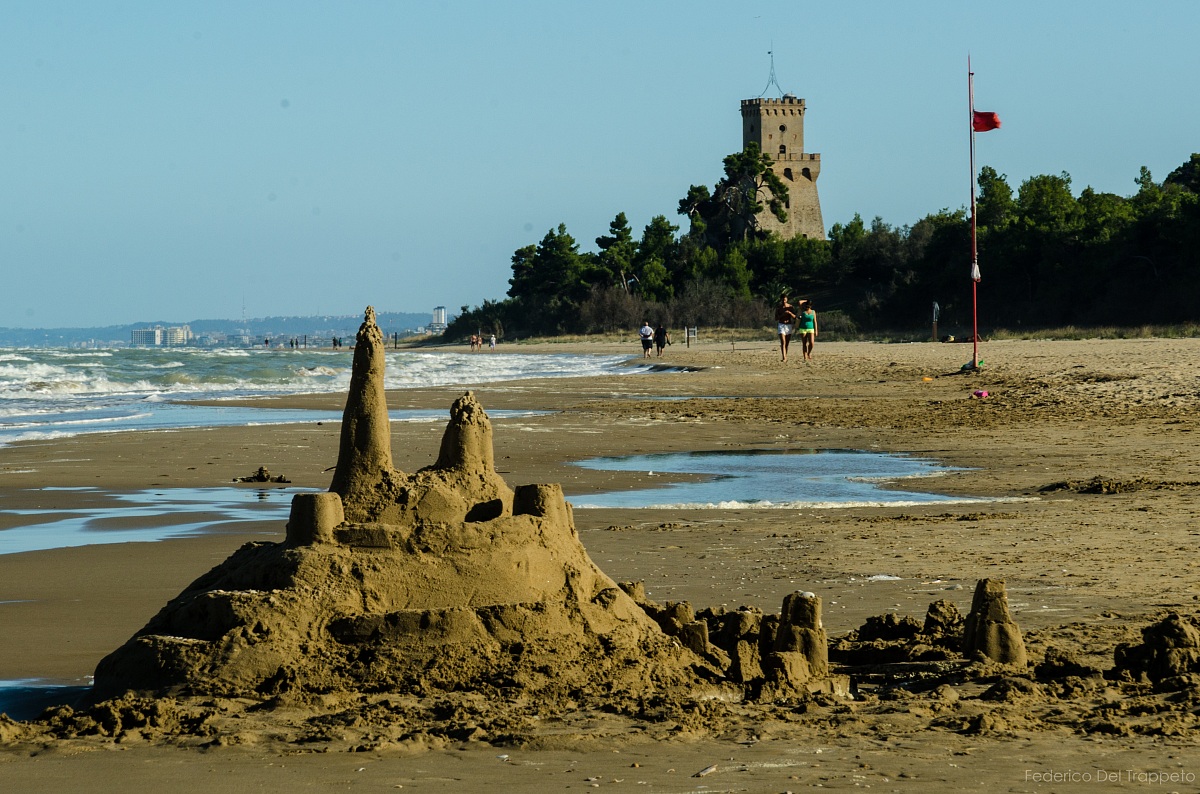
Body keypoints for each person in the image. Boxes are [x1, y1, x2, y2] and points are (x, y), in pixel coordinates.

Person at [774, 296, 796, 362]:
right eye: (783, 299)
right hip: (781, 325)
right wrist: (782, 315)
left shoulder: (791, 307)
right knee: (783, 342)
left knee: (787, 343)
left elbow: (795, 317)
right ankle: (784, 357)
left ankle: (785, 355)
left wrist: (789, 313)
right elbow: (776, 318)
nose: (784, 301)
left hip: (788, 325)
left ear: (787, 299)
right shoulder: (779, 308)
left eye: (785, 299)